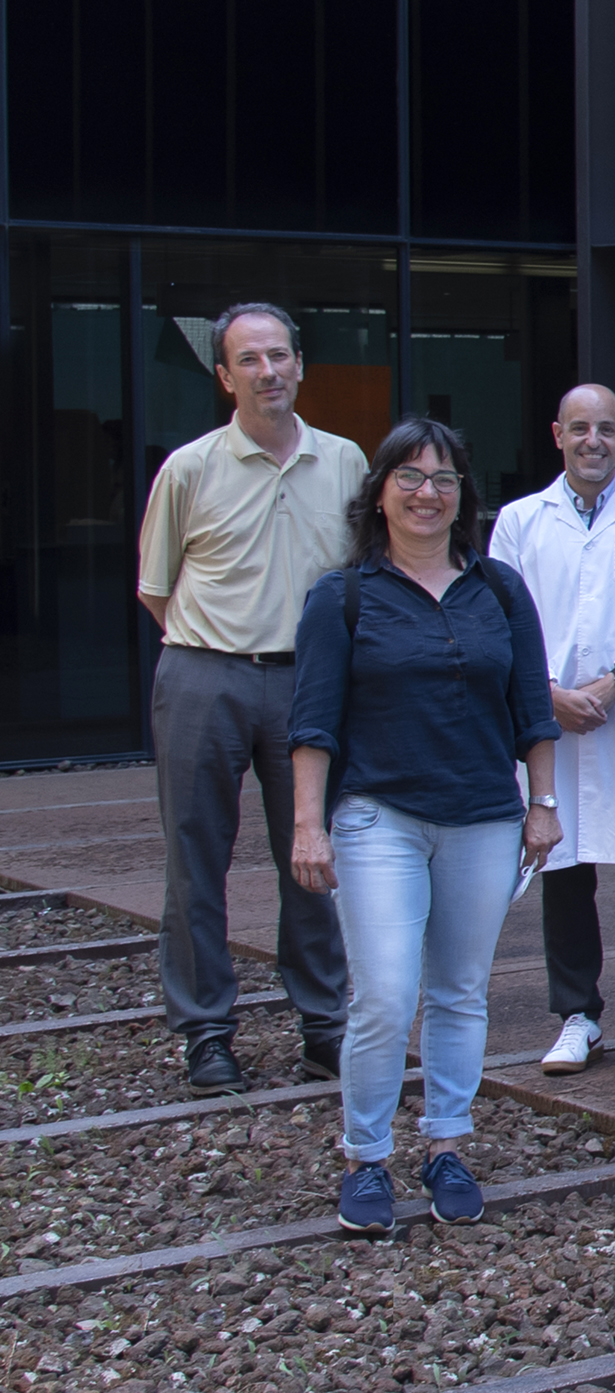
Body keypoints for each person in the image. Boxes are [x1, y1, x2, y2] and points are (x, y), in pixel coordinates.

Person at [285, 418, 559, 1232]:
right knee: (385, 992)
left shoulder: (501, 589)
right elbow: (312, 723)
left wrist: (543, 804)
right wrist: (309, 825)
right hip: (380, 817)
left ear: (463, 495)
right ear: (379, 493)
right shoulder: (344, 596)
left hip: (481, 816)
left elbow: (533, 711)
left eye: (443, 479)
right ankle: (365, 1157)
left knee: (460, 991)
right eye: (409, 476)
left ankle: (446, 1144)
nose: (426, 493)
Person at [136, 302, 366, 1095]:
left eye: (280, 356)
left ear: (300, 364)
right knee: (195, 859)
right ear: (224, 375)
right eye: (250, 360)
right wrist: (222, 647)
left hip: (307, 683)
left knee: (312, 856)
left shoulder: (345, 462)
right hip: (205, 673)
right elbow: (157, 590)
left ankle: (324, 1026)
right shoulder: (189, 468)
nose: (268, 372)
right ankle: (206, 1034)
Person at [489, 383, 615, 1078]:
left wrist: (613, 685)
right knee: (564, 865)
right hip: (552, 722)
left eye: (606, 428)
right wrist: (547, 695)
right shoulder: (521, 521)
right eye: (580, 428)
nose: (593, 441)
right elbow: (504, 618)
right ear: (557, 434)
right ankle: (577, 1015)